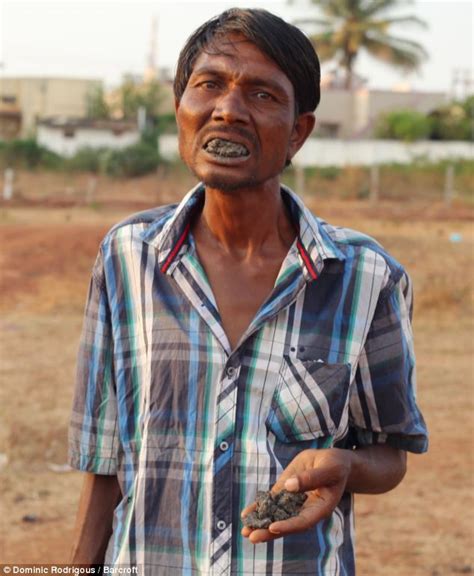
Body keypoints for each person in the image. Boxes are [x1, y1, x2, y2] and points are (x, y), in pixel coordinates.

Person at [69, 8, 428, 575]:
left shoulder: (366, 278)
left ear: (298, 133)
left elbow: (391, 451)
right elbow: (106, 467)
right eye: (209, 84)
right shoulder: (125, 258)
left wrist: (343, 465)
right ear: (180, 108)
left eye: (262, 95)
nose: (228, 110)